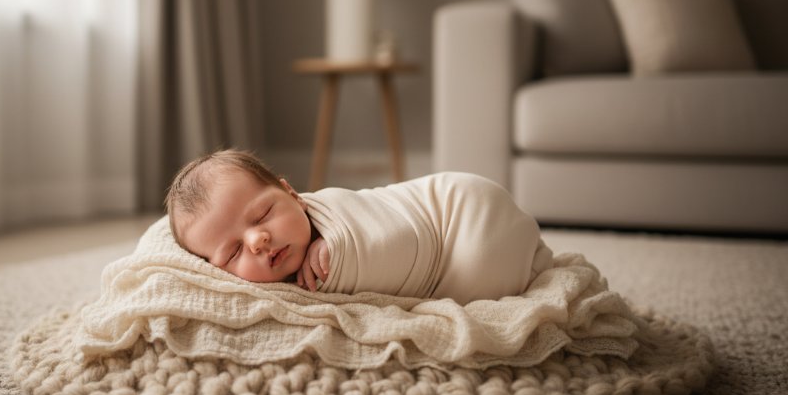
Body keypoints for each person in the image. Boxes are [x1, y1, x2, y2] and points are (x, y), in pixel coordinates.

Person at [166, 149, 551, 305]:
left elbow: (404, 236)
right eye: (232, 252)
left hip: (463, 214)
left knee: (480, 278)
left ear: (293, 194)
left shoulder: (337, 211)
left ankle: (526, 269)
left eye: (264, 214)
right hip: (459, 231)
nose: (257, 240)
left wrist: (343, 251)